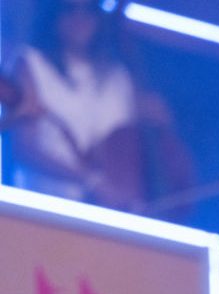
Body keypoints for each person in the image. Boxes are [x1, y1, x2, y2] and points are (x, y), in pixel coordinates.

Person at [5, 0, 190, 211]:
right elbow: (25, 148)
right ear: (54, 14)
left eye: (89, 10)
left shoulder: (118, 77)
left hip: (109, 214)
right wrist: (90, 181)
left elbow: (128, 152)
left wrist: (161, 124)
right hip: (46, 210)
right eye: (70, 9)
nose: (79, 18)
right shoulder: (29, 62)